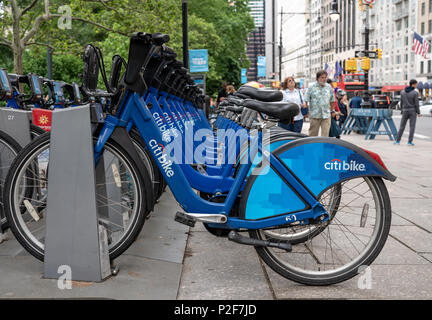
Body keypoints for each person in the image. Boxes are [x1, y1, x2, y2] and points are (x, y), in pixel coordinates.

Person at [305, 70, 336, 137]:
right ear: (317, 78)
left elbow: (332, 100)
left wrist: (332, 110)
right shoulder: (311, 87)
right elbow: (306, 99)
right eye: (322, 77)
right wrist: (306, 111)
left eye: (325, 77)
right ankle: (312, 147)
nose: (324, 79)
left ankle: (323, 147)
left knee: (325, 136)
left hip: (326, 115)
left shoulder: (329, 87)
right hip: (314, 115)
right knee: (312, 135)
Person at [394, 79, 422, 146]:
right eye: (416, 84)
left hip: (405, 110)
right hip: (412, 111)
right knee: (412, 127)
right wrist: (418, 112)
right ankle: (409, 142)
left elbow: (401, 103)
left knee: (401, 126)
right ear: (413, 84)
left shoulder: (402, 92)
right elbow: (416, 104)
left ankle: (397, 141)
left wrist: (401, 110)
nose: (416, 85)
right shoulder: (415, 93)